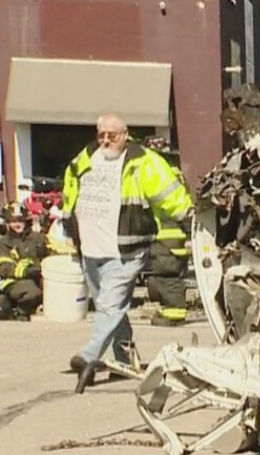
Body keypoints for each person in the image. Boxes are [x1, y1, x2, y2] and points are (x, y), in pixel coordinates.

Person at [61, 112, 193, 393]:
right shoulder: (85, 158)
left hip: (126, 250)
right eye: (101, 135)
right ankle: (124, 360)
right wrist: (67, 220)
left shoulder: (143, 161)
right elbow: (70, 190)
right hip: (90, 248)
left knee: (109, 305)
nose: (106, 140)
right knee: (112, 308)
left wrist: (191, 217)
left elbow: (171, 195)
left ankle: (89, 355)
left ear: (125, 134)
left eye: (112, 135)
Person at [0, 202, 46, 321]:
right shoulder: (3, 243)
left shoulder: (38, 238)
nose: (17, 224)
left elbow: (52, 252)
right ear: (7, 223)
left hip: (38, 278)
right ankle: (21, 311)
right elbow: (3, 268)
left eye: (20, 220)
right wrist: (25, 271)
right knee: (33, 292)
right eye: (13, 221)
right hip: (14, 281)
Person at [146, 216, 190, 327]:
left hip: (166, 238)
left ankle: (174, 315)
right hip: (172, 238)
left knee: (168, 277)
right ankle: (174, 312)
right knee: (170, 276)